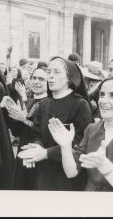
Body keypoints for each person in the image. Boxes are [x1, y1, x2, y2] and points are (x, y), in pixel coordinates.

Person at [49, 77, 113, 192]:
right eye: (102, 94)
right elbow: (71, 173)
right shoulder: (91, 129)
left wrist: (106, 167)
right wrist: (65, 147)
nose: (103, 101)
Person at [17, 56, 93, 191]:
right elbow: (37, 133)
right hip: (44, 171)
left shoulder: (80, 104)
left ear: (70, 78)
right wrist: (36, 149)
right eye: (49, 72)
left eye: (56, 72)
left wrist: (46, 153)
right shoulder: (45, 103)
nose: (50, 76)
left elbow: (81, 142)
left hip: (67, 174)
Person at [3, 67, 49, 190]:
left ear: (48, 82)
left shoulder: (50, 102)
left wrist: (24, 120)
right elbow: (16, 132)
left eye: (41, 79)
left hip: (39, 154)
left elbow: (44, 132)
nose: (36, 82)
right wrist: (11, 114)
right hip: (22, 149)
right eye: (34, 78)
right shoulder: (28, 101)